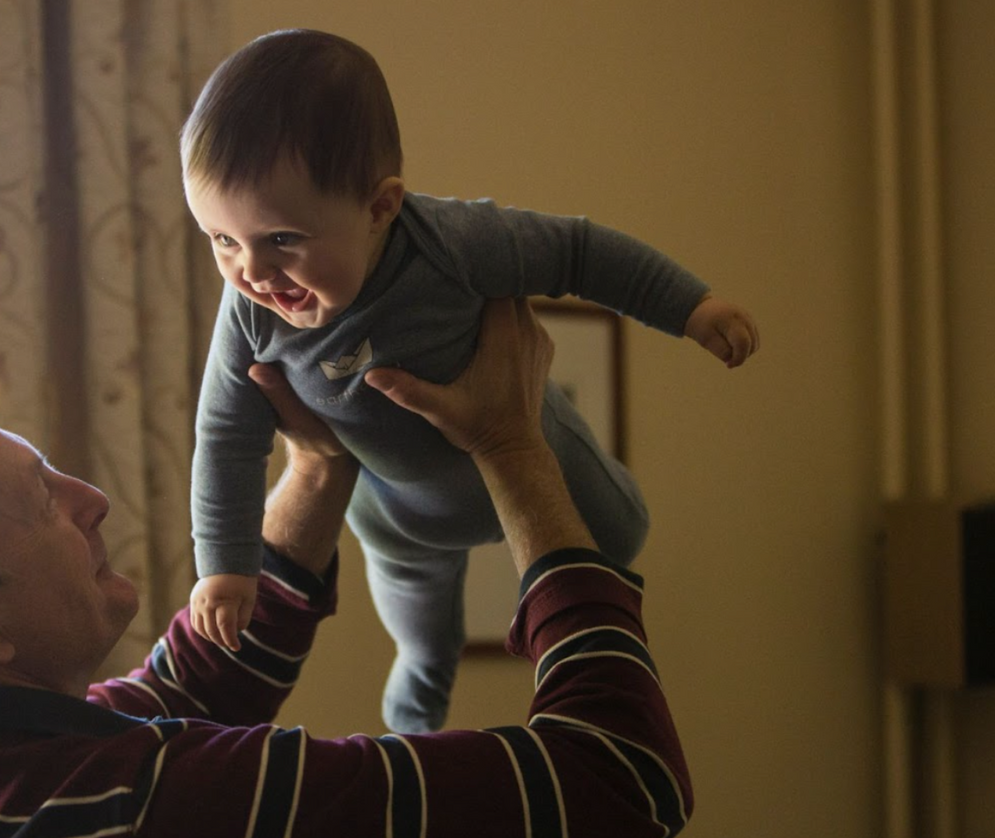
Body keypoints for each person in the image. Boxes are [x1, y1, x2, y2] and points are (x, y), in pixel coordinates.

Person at [0, 298, 691, 837]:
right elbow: (620, 782)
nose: (89, 497)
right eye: (39, 499)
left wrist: (318, 467)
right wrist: (512, 445)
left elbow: (196, 684)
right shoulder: (140, 803)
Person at [184, 28, 760, 733]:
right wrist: (225, 566)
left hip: (531, 446)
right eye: (221, 240)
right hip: (399, 518)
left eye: (282, 240)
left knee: (623, 533)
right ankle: (413, 731)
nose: (252, 272)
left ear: (379, 208)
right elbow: (225, 437)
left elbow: (579, 252)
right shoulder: (248, 313)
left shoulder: (452, 243)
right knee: (425, 644)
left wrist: (692, 307)